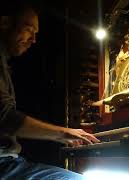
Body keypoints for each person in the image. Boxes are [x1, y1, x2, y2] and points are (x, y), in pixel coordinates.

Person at [0, 2, 100, 179]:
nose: (33, 39)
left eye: (36, 34)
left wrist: (59, 135)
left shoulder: (4, 63)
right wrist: (62, 133)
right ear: (5, 23)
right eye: (29, 29)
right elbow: (5, 118)